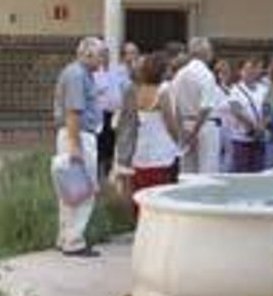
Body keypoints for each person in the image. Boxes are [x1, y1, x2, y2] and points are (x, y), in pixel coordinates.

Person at [112, 51, 182, 220]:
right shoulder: (163, 91)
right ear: (161, 70)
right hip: (161, 151)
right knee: (161, 194)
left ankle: (141, 224)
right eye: (167, 68)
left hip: (141, 150)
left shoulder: (137, 91)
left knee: (141, 193)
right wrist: (179, 139)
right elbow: (170, 122)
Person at [52, 36, 105, 256]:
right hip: (78, 135)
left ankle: (65, 237)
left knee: (70, 190)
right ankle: (74, 241)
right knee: (82, 190)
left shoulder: (80, 73)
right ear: (88, 54)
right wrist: (75, 145)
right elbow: (73, 111)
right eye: (100, 55)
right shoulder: (77, 75)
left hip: (74, 135)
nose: (103, 60)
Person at [169, 37, 223, 174]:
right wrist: (194, 134)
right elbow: (206, 107)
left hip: (185, 124)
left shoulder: (180, 74)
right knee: (207, 171)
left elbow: (174, 106)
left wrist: (183, 132)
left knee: (187, 170)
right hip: (205, 125)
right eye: (210, 51)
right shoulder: (206, 74)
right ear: (205, 53)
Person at [92, 41, 137, 166]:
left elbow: (127, 85)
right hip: (101, 113)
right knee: (101, 143)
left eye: (106, 53)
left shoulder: (117, 70)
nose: (105, 56)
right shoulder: (94, 73)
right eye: (102, 54)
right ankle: (101, 167)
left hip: (117, 113)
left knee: (115, 143)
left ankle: (110, 165)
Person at [226, 56, 268, 173]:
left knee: (259, 172)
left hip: (260, 138)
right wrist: (253, 126)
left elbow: (267, 109)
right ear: (240, 72)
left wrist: (263, 125)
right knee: (242, 172)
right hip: (241, 138)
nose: (250, 72)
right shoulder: (235, 90)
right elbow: (236, 110)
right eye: (246, 69)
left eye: (252, 69)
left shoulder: (263, 89)